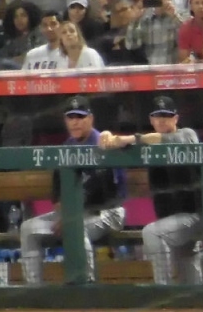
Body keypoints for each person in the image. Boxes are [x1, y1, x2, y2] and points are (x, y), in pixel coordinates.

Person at [20, 96, 126, 285]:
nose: (75, 122)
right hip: (73, 213)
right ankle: (34, 288)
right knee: (28, 228)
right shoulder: (67, 147)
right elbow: (57, 189)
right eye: (71, 117)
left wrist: (69, 217)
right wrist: (62, 211)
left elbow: (101, 194)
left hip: (108, 211)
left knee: (75, 228)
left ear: (90, 118)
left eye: (80, 117)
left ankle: (86, 284)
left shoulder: (103, 143)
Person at [97, 96, 203, 285]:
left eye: (166, 116)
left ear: (176, 119)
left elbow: (161, 139)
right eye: (157, 116)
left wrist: (128, 138)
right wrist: (105, 135)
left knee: (151, 232)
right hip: (171, 222)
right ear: (151, 119)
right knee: (190, 278)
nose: (161, 120)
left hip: (197, 216)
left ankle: (162, 289)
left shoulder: (187, 134)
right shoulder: (146, 144)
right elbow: (113, 144)